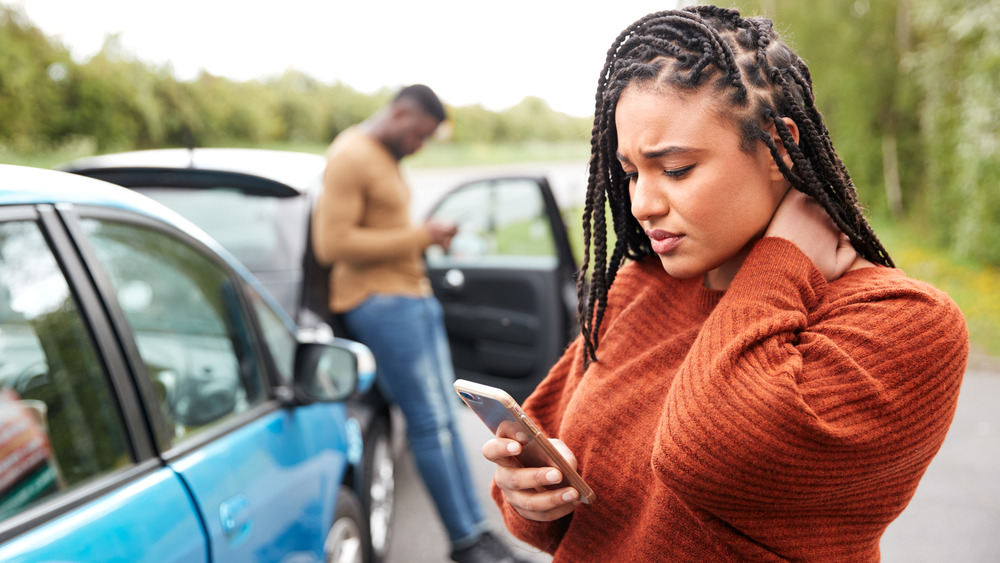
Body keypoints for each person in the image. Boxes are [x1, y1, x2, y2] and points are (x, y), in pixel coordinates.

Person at [482, 6, 969, 561]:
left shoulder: (905, 322)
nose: (642, 204)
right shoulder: (639, 288)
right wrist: (532, 500)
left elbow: (707, 455)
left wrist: (780, 262)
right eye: (632, 172)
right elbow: (552, 497)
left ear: (777, 147)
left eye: (677, 169)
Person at [311, 84, 528, 563]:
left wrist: (423, 240)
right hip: (380, 303)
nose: (419, 145)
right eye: (418, 134)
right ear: (401, 112)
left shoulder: (384, 157)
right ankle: (466, 543)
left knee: (447, 422)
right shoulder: (351, 154)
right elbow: (332, 243)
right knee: (430, 423)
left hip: (411, 297)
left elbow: (383, 231)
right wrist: (419, 235)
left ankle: (480, 534)